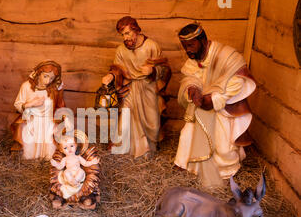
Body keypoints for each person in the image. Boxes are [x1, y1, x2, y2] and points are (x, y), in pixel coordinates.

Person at [174, 23, 256, 187]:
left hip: (224, 108)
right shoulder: (195, 59)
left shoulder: (226, 56)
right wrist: (192, 89)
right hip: (201, 107)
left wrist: (214, 98)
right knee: (187, 134)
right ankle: (188, 166)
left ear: (203, 40)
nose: (187, 50)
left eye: (191, 45)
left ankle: (225, 173)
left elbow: (237, 81)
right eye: (184, 46)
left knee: (223, 146)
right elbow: (191, 77)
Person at [102, 16, 171, 158]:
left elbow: (164, 69)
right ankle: (121, 146)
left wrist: (153, 71)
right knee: (126, 114)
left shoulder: (151, 45)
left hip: (148, 87)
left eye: (127, 33)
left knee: (151, 121)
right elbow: (117, 69)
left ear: (136, 30)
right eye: (122, 35)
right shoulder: (121, 50)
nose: (125, 38)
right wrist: (111, 76)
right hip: (130, 87)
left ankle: (147, 149)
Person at [11, 60, 65, 160]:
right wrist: (30, 104)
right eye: (45, 76)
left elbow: (59, 106)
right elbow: (17, 104)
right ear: (38, 74)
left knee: (51, 149)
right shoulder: (26, 86)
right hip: (30, 121)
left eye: (51, 78)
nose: (48, 81)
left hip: (48, 122)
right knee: (28, 148)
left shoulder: (53, 89)